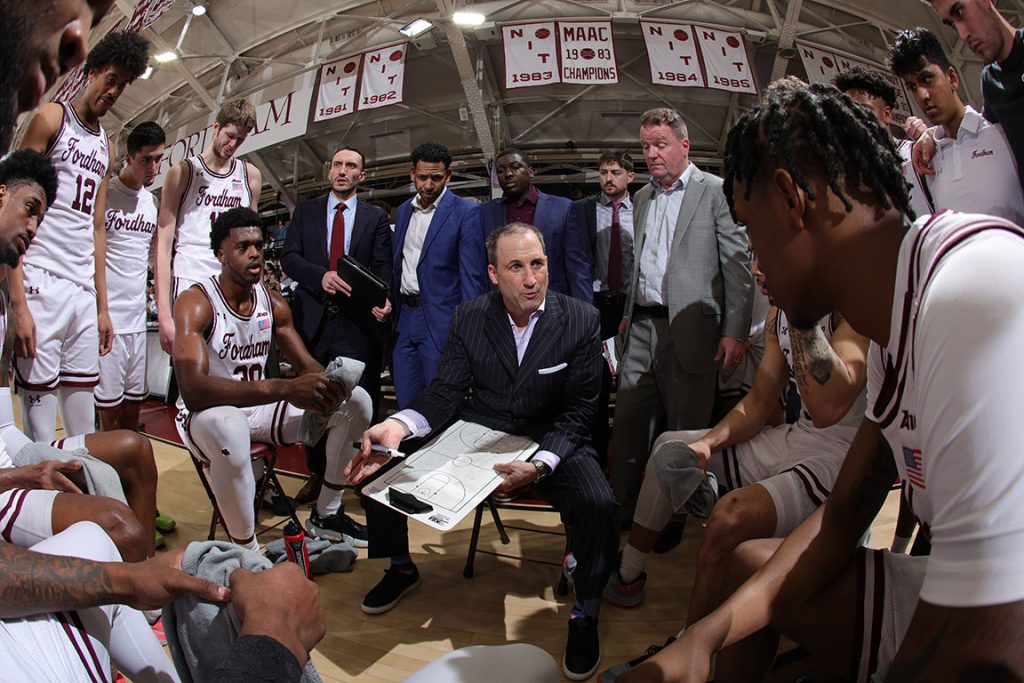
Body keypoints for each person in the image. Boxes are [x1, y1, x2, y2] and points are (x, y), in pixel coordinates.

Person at [622, 79, 1024, 683]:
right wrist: (699, 642)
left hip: (1000, 624)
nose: (755, 263)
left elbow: (988, 645)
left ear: (793, 201)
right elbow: (841, 519)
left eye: (753, 234)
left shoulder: (971, 290)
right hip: (972, 598)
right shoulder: (893, 325)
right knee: (742, 572)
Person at [347, 223, 618, 681]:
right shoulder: (470, 316)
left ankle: (585, 610)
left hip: (554, 436)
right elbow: (446, 391)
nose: (532, 278)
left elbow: (581, 411)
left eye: (538, 264)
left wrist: (540, 464)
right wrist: (397, 424)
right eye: (517, 267)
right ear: (493, 273)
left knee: (599, 503)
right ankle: (399, 566)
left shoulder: (580, 318)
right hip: (483, 428)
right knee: (381, 462)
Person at [605, 281, 868, 632]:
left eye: (763, 256)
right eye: (753, 255)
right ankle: (628, 573)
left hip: (842, 459)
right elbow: (760, 401)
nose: (756, 270)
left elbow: (828, 409)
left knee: (727, 520)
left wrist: (800, 312)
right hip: (799, 437)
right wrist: (708, 444)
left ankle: (690, 649)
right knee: (670, 447)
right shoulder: (777, 314)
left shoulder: (852, 311)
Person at [173, 207, 373, 552]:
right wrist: (285, 387)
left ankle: (326, 514)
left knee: (358, 402)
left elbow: (307, 365)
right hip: (205, 416)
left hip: (258, 409)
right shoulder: (196, 303)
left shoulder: (274, 302)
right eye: (243, 247)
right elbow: (193, 392)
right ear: (221, 254)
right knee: (230, 424)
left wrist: (328, 384)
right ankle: (246, 550)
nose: (255, 253)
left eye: (259, 245)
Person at [609, 107, 753, 512]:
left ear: (684, 146)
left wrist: (734, 330)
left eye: (660, 144)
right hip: (641, 326)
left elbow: (737, 265)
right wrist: (627, 312)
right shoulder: (640, 197)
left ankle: (676, 513)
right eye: (645, 146)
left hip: (693, 330)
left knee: (685, 431)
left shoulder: (715, 191)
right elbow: (640, 263)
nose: (652, 154)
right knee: (628, 423)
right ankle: (620, 506)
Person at [11, 30, 149, 442]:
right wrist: (17, 300)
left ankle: (83, 502)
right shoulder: (51, 118)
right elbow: (14, 209)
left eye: (123, 84)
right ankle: (42, 503)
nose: (115, 90)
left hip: (82, 292)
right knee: (39, 430)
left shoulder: (105, 146)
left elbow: (97, 227)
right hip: (40, 281)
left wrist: (102, 306)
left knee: (81, 430)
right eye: (111, 78)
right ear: (90, 73)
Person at [280, 146, 392, 506]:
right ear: (330, 172)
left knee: (357, 406)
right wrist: (321, 277)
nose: (344, 171)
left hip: (355, 326)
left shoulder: (374, 218)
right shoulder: (306, 212)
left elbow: (382, 267)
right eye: (339, 165)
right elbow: (289, 258)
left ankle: (349, 476)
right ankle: (316, 474)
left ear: (362, 175)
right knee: (315, 404)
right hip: (312, 323)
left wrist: (385, 299)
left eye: (352, 166)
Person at [155, 96, 262, 353]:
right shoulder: (183, 172)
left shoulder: (250, 175)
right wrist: (163, 314)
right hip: (191, 275)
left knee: (233, 367)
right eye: (230, 135)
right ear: (216, 127)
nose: (233, 144)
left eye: (241, 139)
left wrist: (257, 292)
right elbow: (163, 242)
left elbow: (253, 242)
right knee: (193, 371)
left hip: (233, 279)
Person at [888, 27, 1024, 224]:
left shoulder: (1000, 130)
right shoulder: (927, 159)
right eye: (913, 87)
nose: (922, 96)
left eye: (927, 79)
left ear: (951, 78)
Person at [391, 141, 487, 408]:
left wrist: (469, 332)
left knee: (441, 404)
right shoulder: (402, 212)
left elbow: (472, 278)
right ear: (412, 174)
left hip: (443, 320)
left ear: (448, 176)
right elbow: (398, 265)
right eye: (422, 177)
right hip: (404, 319)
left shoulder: (466, 212)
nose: (428, 185)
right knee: (406, 403)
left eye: (436, 178)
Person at [96, 121, 165, 431]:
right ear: (128, 158)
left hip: (137, 324)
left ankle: (126, 478)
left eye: (159, 159)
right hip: (108, 323)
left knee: (132, 413)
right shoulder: (106, 196)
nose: (153, 167)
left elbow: (157, 260)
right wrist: (99, 310)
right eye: (146, 159)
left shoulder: (151, 204)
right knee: (108, 418)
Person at [573, 150, 635, 467]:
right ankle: (594, 460)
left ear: (630, 177)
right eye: (602, 172)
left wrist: (632, 310)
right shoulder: (583, 210)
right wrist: (585, 313)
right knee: (593, 386)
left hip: (629, 310)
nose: (608, 178)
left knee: (630, 385)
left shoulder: (642, 210)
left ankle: (626, 459)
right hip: (593, 307)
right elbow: (576, 262)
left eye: (615, 172)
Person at [919, 0, 1023, 188]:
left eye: (959, 12)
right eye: (951, 24)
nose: (963, 34)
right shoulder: (991, 83)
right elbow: (978, 131)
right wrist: (932, 135)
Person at [481, 148, 592, 302]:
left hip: (552, 305)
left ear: (531, 172)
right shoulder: (484, 213)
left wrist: (585, 313)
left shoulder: (562, 209)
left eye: (515, 167)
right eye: (501, 170)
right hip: (503, 308)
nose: (508, 174)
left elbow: (578, 268)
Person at [832, 66, 934, 219]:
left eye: (864, 110)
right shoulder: (848, 175)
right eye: (848, 113)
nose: (856, 119)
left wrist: (933, 134)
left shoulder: (917, 153)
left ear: (887, 114)